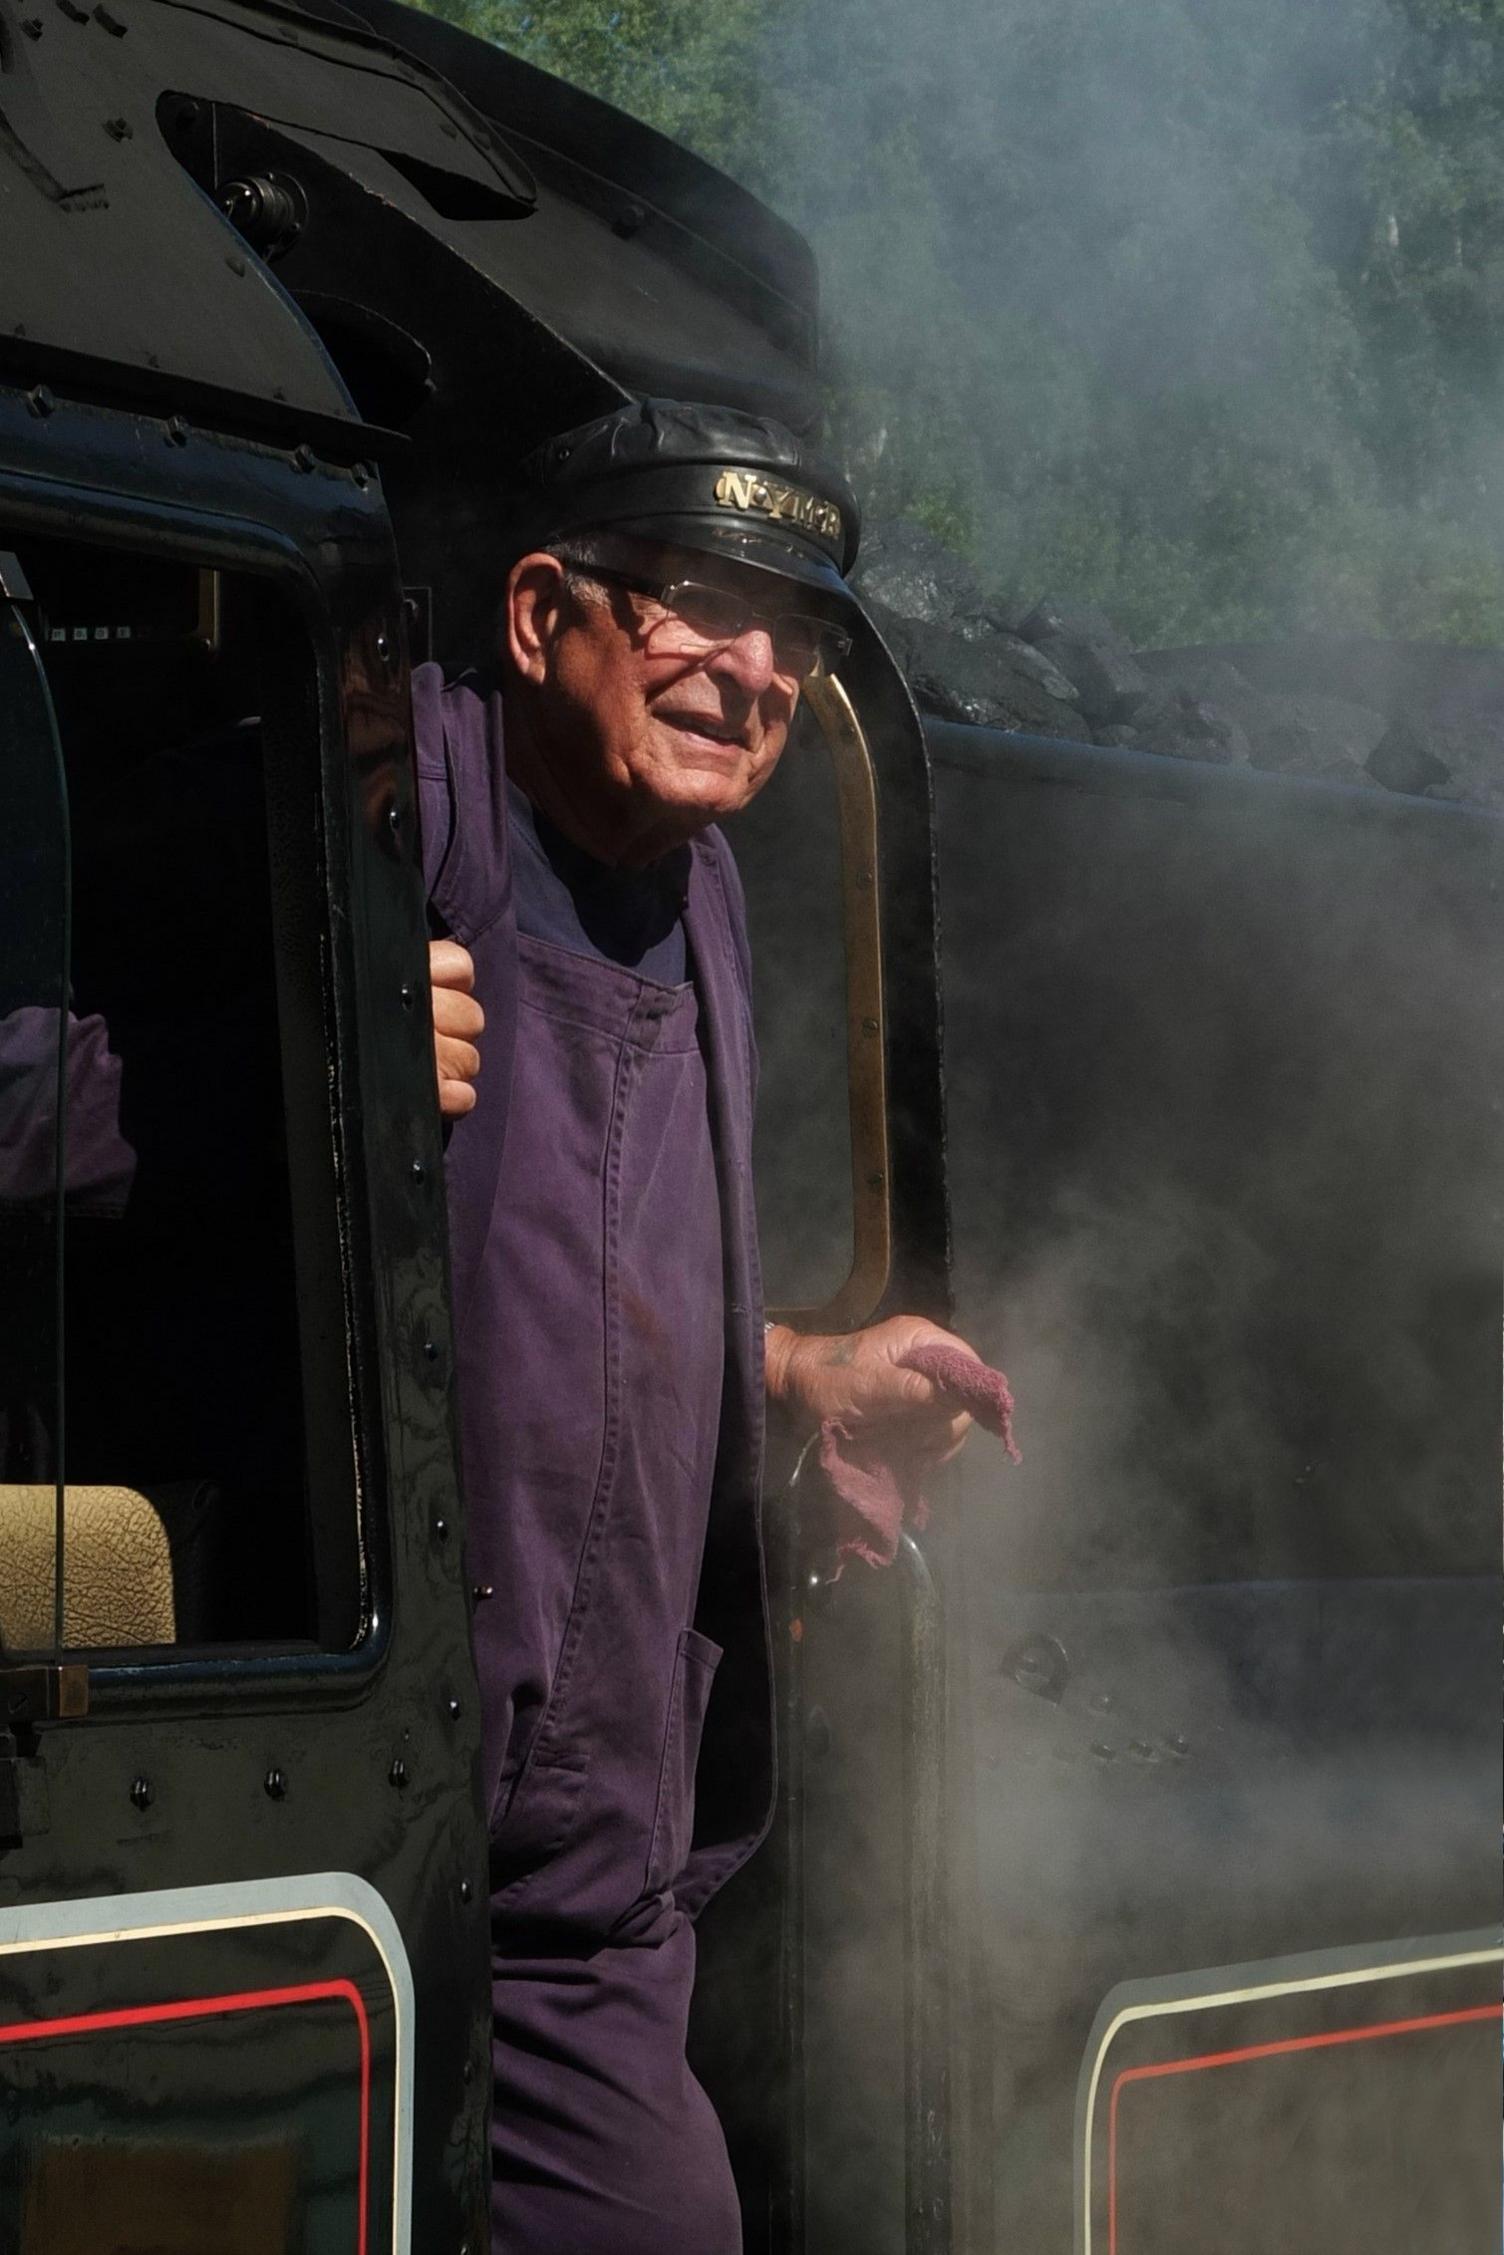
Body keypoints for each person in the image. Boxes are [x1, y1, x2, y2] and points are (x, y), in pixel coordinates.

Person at [415, 398, 981, 2254]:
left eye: (792, 637)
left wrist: (799, 1369)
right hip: (357, 1799)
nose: (749, 675)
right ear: (536, 618)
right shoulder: (382, 786)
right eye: (693, 610)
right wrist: (292, 1066)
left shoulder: (708, 897)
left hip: (586, 1880)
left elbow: (592, 1263)